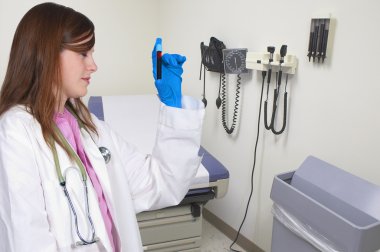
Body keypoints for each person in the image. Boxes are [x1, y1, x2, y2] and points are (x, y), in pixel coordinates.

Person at [0, 2, 204, 252]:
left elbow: (158, 182)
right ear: (47, 53)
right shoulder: (15, 131)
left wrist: (173, 107)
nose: (93, 65)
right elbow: (28, 239)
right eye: (83, 54)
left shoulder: (89, 127)